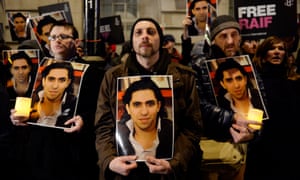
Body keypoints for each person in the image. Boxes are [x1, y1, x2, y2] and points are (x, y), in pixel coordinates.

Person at [95, 17, 203, 180]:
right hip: (125, 173)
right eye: (138, 32)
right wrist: (109, 161)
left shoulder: (184, 77)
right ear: (132, 42)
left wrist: (174, 164)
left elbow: (192, 128)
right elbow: (103, 125)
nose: (145, 36)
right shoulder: (112, 77)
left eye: (151, 32)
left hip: (170, 173)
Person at [10, 22, 103, 180]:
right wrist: (17, 115)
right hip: (40, 150)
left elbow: (101, 109)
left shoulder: (92, 72)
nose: (57, 40)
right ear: (48, 43)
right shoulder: (38, 71)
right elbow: (27, 101)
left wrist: (85, 120)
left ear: (76, 42)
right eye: (53, 37)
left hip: (74, 150)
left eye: (63, 37)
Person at [192, 15, 263, 180]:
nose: (230, 41)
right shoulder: (199, 65)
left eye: (234, 34)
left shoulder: (248, 64)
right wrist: (232, 118)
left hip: (242, 147)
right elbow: (198, 106)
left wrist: (254, 134)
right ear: (214, 40)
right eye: (223, 36)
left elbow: (259, 103)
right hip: (212, 147)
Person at [245, 36, 300, 179]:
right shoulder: (254, 83)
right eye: (272, 48)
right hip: (263, 146)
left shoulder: (294, 82)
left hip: (290, 146)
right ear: (263, 55)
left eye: (280, 49)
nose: (276, 52)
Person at [117, 77, 173, 161]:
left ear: (158, 106)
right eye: (137, 104)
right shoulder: (114, 135)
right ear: (128, 108)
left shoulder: (174, 131)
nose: (144, 112)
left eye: (150, 104)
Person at [29, 62, 77, 128]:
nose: (55, 86)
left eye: (62, 80)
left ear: (68, 82)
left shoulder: (74, 104)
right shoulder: (30, 98)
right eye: (51, 79)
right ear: (44, 81)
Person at [181, 0, 210, 65]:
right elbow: (185, 52)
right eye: (198, 9)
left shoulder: (214, 25)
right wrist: (185, 29)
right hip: (191, 66)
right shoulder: (189, 27)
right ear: (193, 11)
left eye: (204, 8)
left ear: (209, 9)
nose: (201, 12)